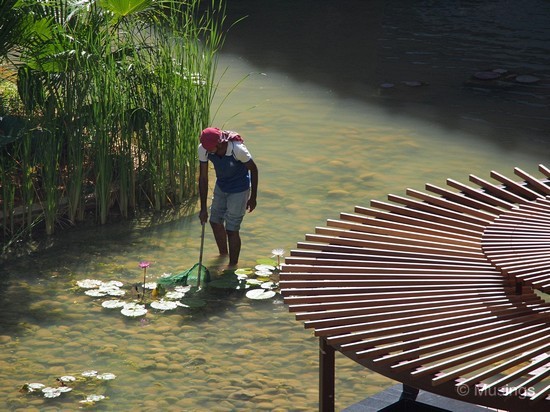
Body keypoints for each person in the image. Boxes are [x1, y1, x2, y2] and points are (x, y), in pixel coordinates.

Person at [198, 127, 258, 267]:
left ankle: (232, 265)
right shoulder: (204, 148)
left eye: (210, 147)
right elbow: (203, 178)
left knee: (232, 229)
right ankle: (223, 255)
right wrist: (202, 209)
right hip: (222, 186)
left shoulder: (238, 150)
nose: (207, 150)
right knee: (215, 221)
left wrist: (253, 197)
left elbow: (254, 170)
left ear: (219, 143)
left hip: (239, 189)